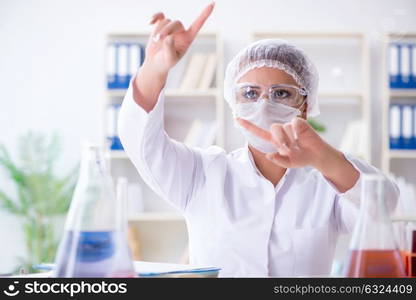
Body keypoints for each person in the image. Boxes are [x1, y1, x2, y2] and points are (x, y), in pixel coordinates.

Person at [118, 2, 399, 277]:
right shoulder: (201, 173)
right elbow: (141, 144)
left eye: (281, 93)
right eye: (250, 93)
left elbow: (383, 204)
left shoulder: (327, 183)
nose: (264, 105)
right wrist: (154, 69)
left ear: (305, 104)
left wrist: (323, 157)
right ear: (234, 102)